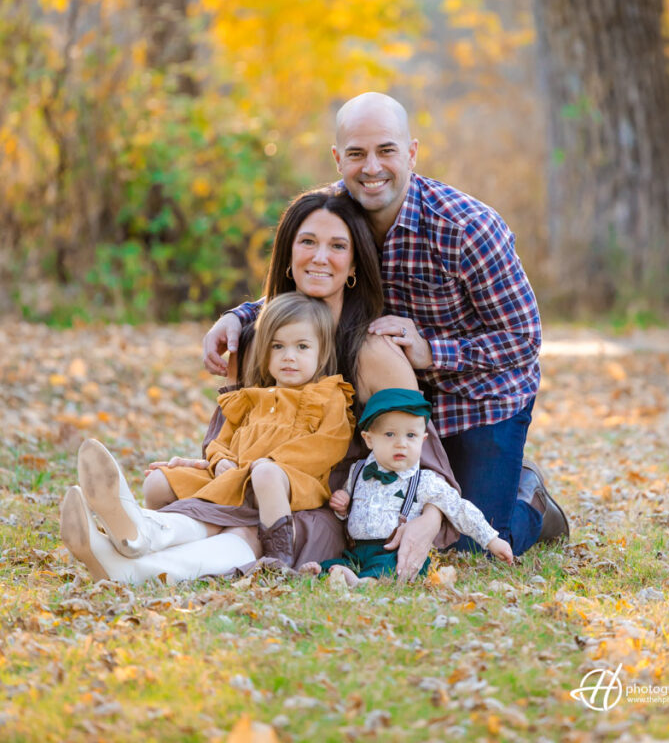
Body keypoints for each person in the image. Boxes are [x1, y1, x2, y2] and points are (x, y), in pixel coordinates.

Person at [203, 93, 569, 560]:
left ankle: (528, 493)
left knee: (471, 545)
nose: (371, 167)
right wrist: (239, 316)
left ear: (412, 153)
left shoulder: (467, 228)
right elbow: (314, 279)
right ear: (338, 158)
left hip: (479, 397)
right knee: (373, 518)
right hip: (389, 389)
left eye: (386, 151)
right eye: (356, 153)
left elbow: (523, 340)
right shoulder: (338, 212)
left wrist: (432, 352)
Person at [142, 189, 457, 582]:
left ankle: (141, 570)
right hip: (246, 487)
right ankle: (132, 543)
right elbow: (227, 433)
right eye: (307, 242)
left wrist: (427, 521)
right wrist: (211, 462)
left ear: (354, 263)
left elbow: (422, 458)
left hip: (329, 507)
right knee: (189, 498)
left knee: (245, 528)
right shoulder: (256, 339)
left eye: (337, 246)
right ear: (288, 257)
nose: (320, 257)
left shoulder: (375, 353)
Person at [60, 293, 357, 581]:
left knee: (264, 474)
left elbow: (327, 445)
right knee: (159, 480)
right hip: (235, 479)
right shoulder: (249, 398)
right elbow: (222, 440)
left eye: (302, 347)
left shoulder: (328, 396)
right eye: (278, 347)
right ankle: (139, 531)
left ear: (322, 353)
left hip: (287, 484)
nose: (288, 357)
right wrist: (222, 460)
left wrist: (266, 464)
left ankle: (137, 561)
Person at [300, 388, 513, 587]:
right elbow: (353, 508)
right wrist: (342, 507)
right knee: (340, 560)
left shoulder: (425, 480)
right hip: (358, 548)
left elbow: (459, 509)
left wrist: (492, 540)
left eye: (411, 436)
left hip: (397, 550)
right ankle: (325, 572)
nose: (401, 443)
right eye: (390, 434)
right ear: (369, 439)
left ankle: (364, 583)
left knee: (389, 568)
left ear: (423, 440)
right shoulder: (358, 471)